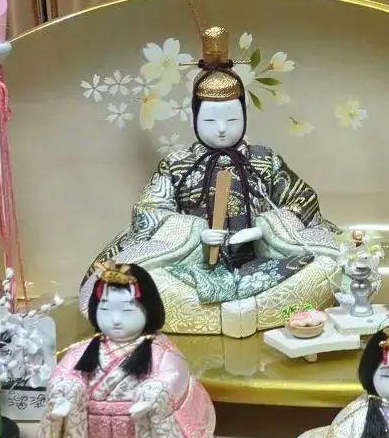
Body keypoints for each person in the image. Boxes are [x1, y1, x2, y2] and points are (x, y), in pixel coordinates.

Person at [82, 26, 341, 337]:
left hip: (262, 262)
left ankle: (247, 309)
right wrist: (196, 234)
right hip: (191, 267)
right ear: (193, 118)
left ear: (244, 116)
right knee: (143, 283)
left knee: (326, 267)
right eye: (209, 120)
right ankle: (251, 312)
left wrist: (264, 230)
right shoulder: (177, 164)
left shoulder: (265, 159)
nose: (220, 128)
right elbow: (148, 211)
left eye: (231, 119)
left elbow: (302, 200)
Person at [38, 262, 221, 438]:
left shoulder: (159, 350)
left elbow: (175, 373)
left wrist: (155, 392)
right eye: (105, 309)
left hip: (136, 426)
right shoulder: (84, 350)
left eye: (127, 311)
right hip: (95, 432)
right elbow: (64, 373)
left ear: (148, 310)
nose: (115, 320)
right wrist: (65, 389)